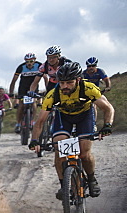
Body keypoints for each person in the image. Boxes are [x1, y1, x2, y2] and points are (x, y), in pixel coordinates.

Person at [29, 61, 115, 198]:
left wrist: (107, 125)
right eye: (61, 83)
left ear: (78, 79)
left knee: (84, 154)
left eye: (69, 82)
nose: (64, 86)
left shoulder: (88, 88)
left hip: (84, 116)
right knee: (60, 149)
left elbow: (108, 108)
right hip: (64, 118)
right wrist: (34, 140)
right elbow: (40, 122)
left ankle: (92, 180)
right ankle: (64, 186)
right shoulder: (53, 94)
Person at [8, 53, 43, 133]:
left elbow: (45, 78)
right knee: (21, 105)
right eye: (27, 62)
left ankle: (33, 122)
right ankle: (18, 124)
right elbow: (14, 81)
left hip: (33, 87)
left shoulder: (39, 66)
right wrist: (11, 92)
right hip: (23, 87)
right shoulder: (21, 67)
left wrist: (48, 89)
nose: (29, 63)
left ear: (34, 60)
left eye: (31, 61)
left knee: (33, 102)